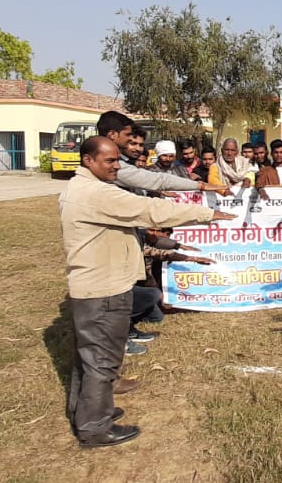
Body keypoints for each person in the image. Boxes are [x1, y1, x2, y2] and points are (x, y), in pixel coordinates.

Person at [58, 136, 235, 448]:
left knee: (90, 357)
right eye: (110, 161)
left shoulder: (80, 187)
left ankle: (87, 410)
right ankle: (94, 427)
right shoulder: (97, 193)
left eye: (118, 160)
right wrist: (207, 214)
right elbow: (150, 209)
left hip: (95, 285)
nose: (117, 167)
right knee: (102, 359)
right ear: (88, 160)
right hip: (103, 288)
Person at [96, 111, 227, 196]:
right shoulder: (109, 166)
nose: (131, 142)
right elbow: (157, 180)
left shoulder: (180, 169)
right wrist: (201, 185)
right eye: (128, 136)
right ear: (112, 135)